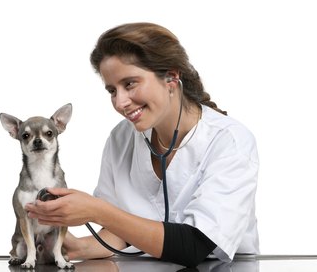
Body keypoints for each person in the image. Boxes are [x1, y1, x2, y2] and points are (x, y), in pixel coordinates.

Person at [25, 22, 259, 267]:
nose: (120, 102)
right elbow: (121, 230)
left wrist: (95, 210)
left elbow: (194, 246)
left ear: (171, 76)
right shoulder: (121, 139)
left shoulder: (229, 141)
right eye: (112, 90)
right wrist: (76, 246)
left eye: (129, 84)